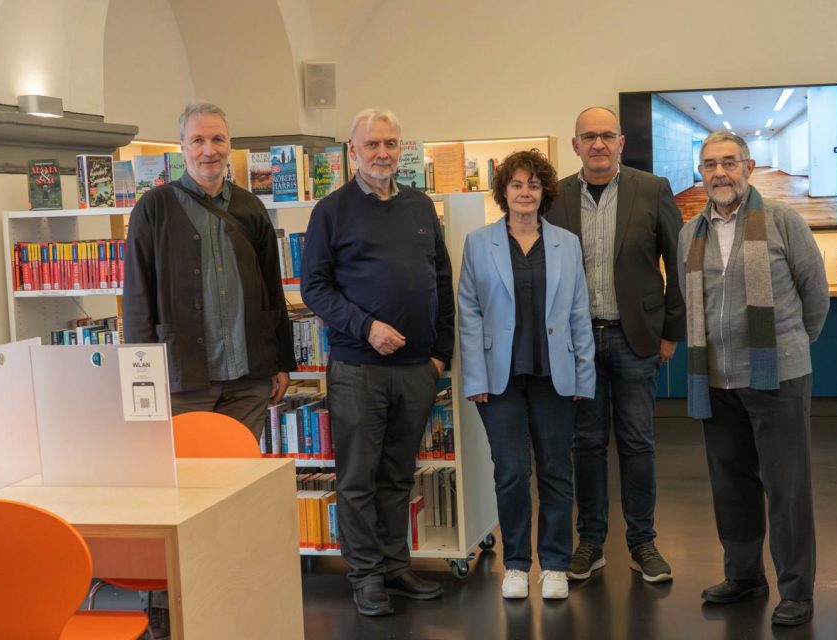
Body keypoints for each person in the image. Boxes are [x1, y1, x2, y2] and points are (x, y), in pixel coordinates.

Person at [301, 108, 453, 617]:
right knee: (358, 477)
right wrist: (365, 326)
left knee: (397, 474)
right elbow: (315, 288)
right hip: (358, 368)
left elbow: (440, 282)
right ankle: (365, 576)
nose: (382, 153)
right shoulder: (331, 211)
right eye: (372, 145)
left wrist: (439, 355)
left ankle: (394, 565)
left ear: (400, 148)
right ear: (352, 150)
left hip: (417, 370)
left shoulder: (420, 207)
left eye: (390, 144)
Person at [677, 131, 829, 627]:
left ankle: (796, 590)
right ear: (699, 173)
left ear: (749, 166)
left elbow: (815, 297)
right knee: (731, 484)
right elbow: (688, 297)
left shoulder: (784, 222)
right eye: (709, 165)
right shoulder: (689, 232)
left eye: (728, 163)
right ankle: (743, 576)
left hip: (777, 377)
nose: (719, 173)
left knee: (787, 488)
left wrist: (786, 348)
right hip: (716, 379)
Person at [543, 106, 684, 583]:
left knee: (638, 443)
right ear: (575, 143)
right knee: (586, 444)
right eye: (589, 136)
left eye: (607, 135)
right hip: (577, 341)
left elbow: (677, 263)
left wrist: (671, 332)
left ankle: (643, 542)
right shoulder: (555, 196)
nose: (598, 144)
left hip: (635, 336)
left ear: (621, 142)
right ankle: (590, 542)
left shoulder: (653, 189)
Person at [459, 150, 595, 600]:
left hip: (554, 377)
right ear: (503, 192)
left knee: (557, 470)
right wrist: (474, 378)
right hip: (501, 380)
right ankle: (516, 564)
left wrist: (583, 376)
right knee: (512, 472)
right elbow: (469, 312)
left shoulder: (566, 243)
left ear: (544, 193)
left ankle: (555, 563)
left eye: (533, 185)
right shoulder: (479, 243)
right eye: (516, 184)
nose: (524, 192)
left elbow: (579, 313)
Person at [124, 101, 295, 440]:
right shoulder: (154, 208)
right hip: (182, 379)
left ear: (229, 145)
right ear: (182, 147)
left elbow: (272, 292)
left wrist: (281, 362)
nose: (209, 151)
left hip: (249, 379)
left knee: (240, 478)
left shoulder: (251, 207)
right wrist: (140, 373)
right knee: (190, 482)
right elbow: (137, 296)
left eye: (218, 140)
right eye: (198, 140)